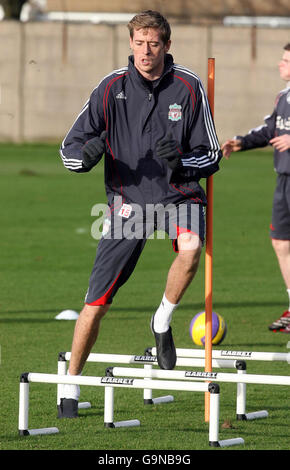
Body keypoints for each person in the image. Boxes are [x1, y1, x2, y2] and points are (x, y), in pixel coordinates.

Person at [58, 10, 222, 418]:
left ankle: (162, 322)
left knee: (191, 247)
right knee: (96, 302)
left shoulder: (188, 86)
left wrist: (183, 160)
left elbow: (212, 154)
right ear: (130, 44)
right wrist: (88, 156)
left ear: (167, 46)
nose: (146, 51)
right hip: (127, 202)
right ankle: (70, 389)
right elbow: (69, 151)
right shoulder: (110, 87)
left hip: (180, 195)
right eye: (139, 43)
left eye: (154, 44)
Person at [222, 42, 290, 334]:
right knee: (281, 243)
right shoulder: (283, 97)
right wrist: (241, 142)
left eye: (286, 60)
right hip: (284, 180)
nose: (280, 64)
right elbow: (269, 130)